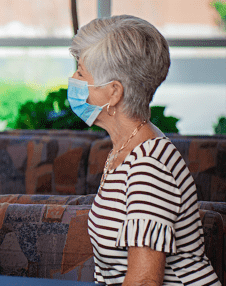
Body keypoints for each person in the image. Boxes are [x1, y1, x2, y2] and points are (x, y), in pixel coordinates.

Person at [68, 15, 221, 285]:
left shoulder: (148, 166)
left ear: (114, 92)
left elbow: (145, 282)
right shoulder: (127, 148)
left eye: (80, 73)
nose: (73, 80)